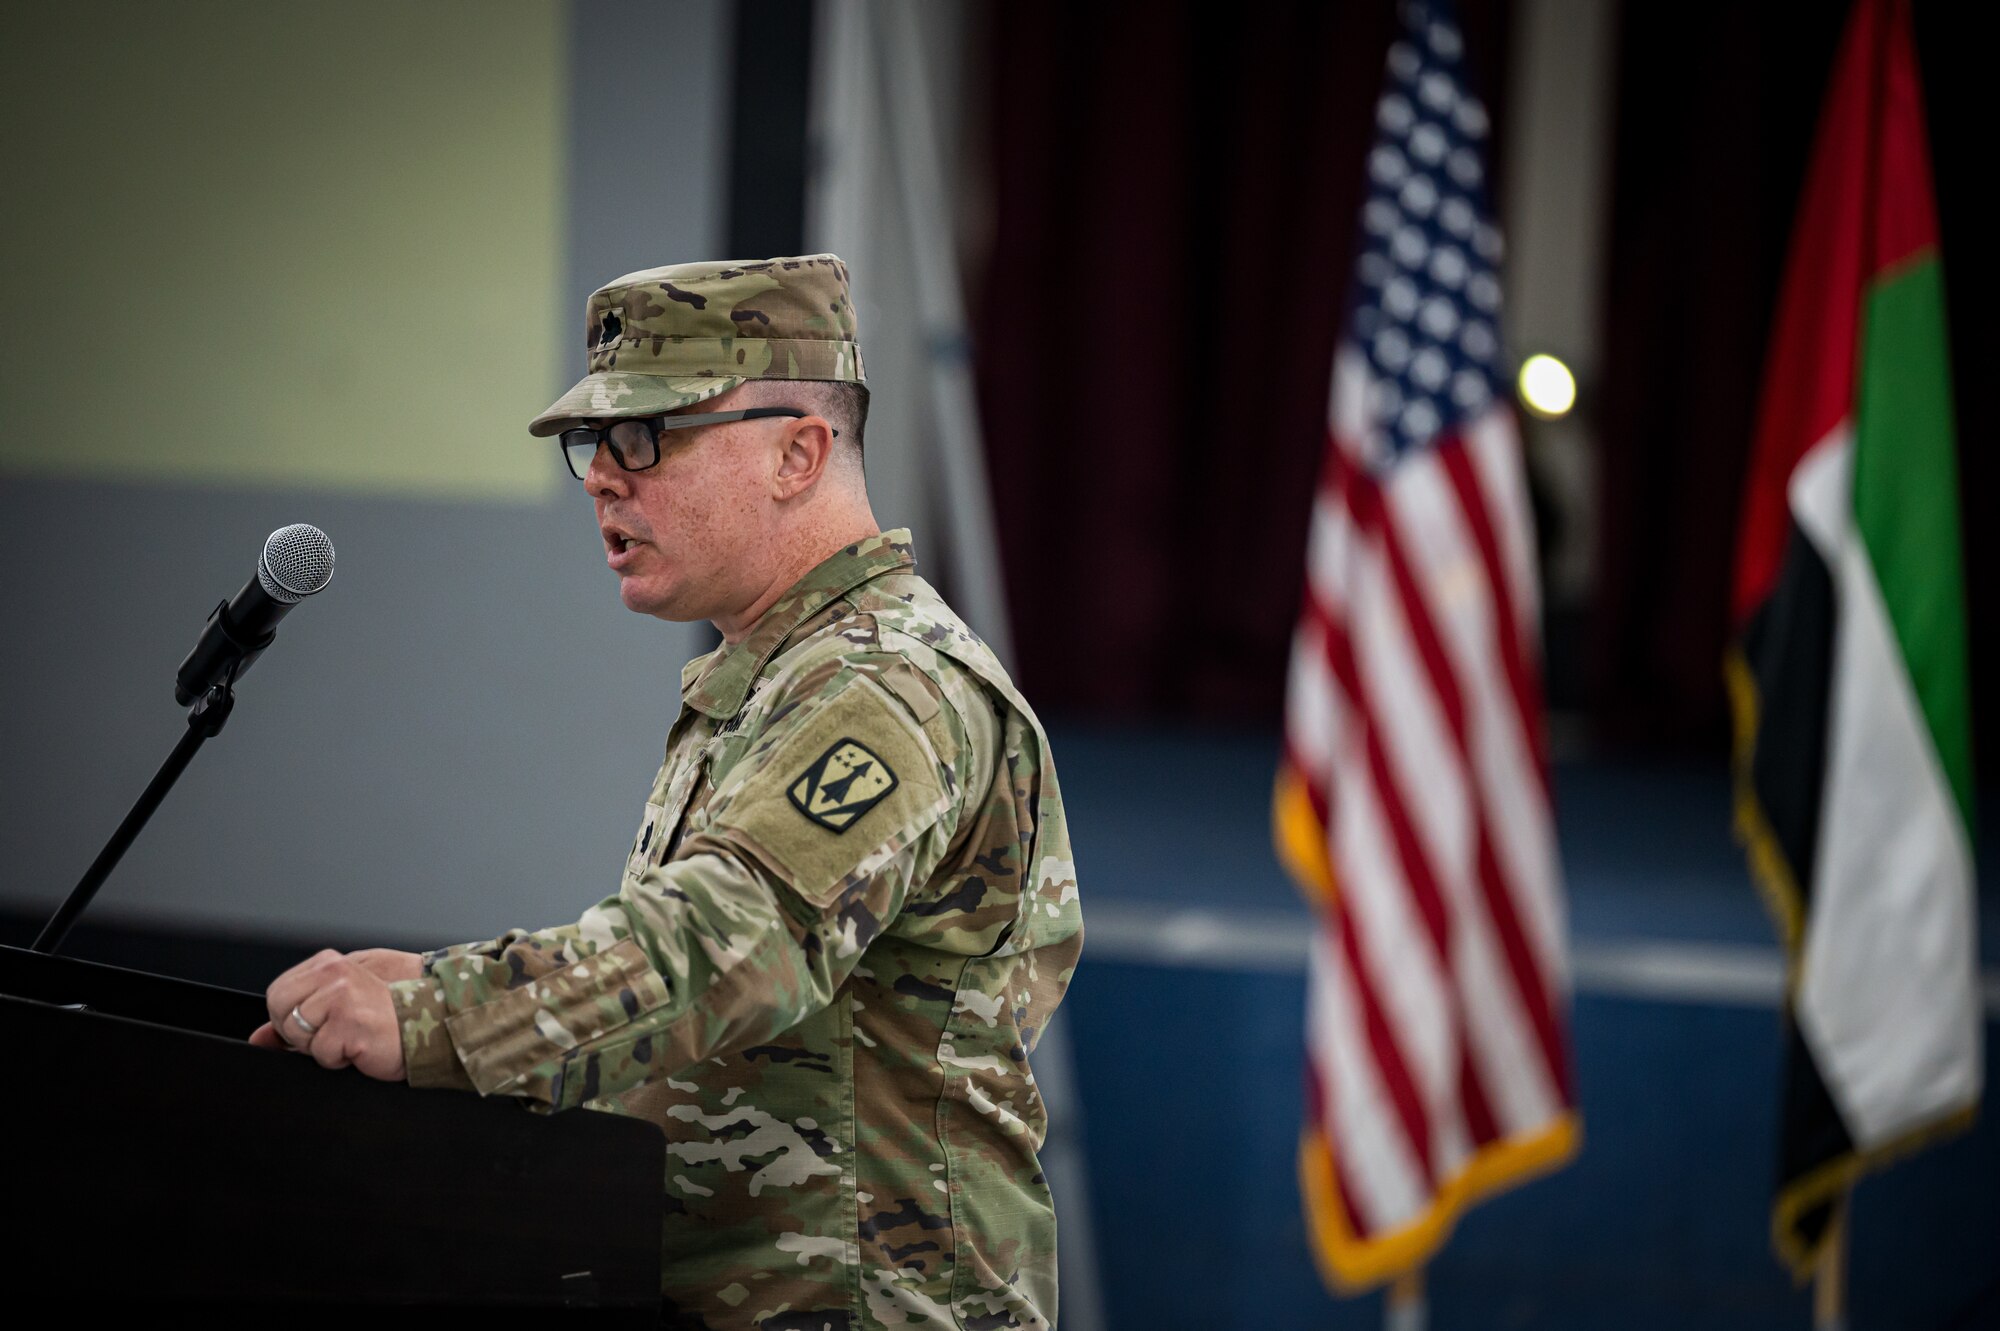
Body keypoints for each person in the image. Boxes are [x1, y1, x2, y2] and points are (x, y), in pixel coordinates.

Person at [250, 255, 1083, 1330]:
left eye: (646, 436)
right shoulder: (784, 673)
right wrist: (436, 991)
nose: (603, 473)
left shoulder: (885, 684)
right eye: (594, 444)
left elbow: (727, 944)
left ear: (798, 451)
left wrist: (435, 1013)